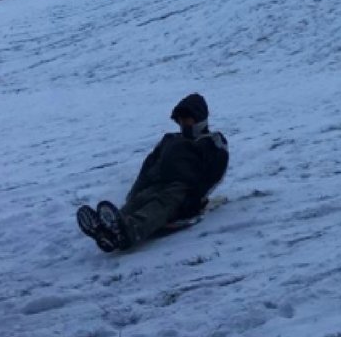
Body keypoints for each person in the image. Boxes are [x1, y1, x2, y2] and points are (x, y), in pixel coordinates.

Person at [77, 93, 229, 252]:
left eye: (187, 119)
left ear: (199, 118)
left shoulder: (210, 141)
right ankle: (107, 230)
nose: (183, 123)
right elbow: (149, 165)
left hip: (182, 188)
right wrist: (136, 190)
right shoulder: (170, 139)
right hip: (156, 183)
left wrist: (195, 199)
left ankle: (130, 231)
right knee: (139, 201)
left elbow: (215, 172)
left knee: (160, 205)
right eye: (180, 119)